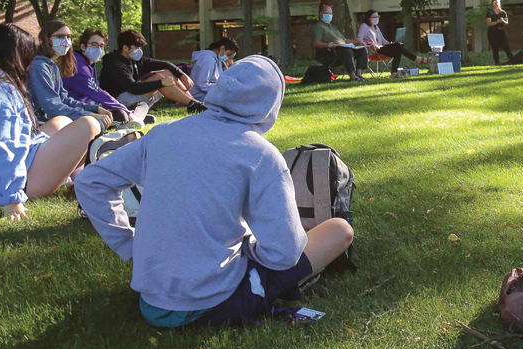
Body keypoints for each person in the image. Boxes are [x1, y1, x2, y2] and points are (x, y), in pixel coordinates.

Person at [76, 56, 354, 327]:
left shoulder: (162, 135)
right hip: (213, 303)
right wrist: (250, 249)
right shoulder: (261, 155)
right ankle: (258, 292)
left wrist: (129, 244)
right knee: (339, 230)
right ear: (271, 105)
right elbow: (285, 252)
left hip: (151, 300)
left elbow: (90, 182)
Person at [0, 25, 103, 220]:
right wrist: (11, 199)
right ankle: (81, 179)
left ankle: (75, 178)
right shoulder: (1, 92)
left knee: (61, 121)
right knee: (90, 125)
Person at [27, 20, 116, 129]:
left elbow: (64, 99)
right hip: (40, 124)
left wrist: (94, 109)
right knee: (92, 125)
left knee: (100, 122)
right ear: (47, 38)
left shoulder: (52, 65)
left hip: (55, 120)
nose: (65, 41)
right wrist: (89, 115)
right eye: (60, 36)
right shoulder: (39, 66)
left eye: (68, 37)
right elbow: (52, 107)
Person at [99, 30, 206, 114]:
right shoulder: (116, 64)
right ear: (125, 48)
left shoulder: (134, 59)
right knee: (159, 78)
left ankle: (194, 103)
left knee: (166, 73)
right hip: (118, 101)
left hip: (131, 94)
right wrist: (161, 83)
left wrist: (182, 74)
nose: (139, 50)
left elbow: (165, 64)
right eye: (136, 47)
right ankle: (193, 104)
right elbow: (133, 88)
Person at [63, 29, 135, 125]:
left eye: (101, 46)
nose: (99, 49)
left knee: (139, 105)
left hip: (92, 106)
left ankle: (133, 117)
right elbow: (96, 92)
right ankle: (130, 118)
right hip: (78, 110)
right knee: (120, 113)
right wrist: (126, 110)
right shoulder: (77, 64)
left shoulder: (89, 62)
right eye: (94, 44)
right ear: (83, 46)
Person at [311, 4, 366, 81]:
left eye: (330, 13)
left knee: (361, 50)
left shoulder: (333, 27)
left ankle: (359, 75)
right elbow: (315, 43)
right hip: (328, 53)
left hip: (342, 50)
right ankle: (352, 76)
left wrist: (356, 42)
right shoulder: (319, 27)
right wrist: (327, 44)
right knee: (347, 51)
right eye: (327, 13)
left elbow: (344, 39)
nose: (329, 15)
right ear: (321, 14)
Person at [356, 11, 421, 75]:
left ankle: (394, 73)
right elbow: (359, 40)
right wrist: (369, 44)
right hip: (373, 50)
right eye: (375, 17)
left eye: (378, 16)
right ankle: (415, 58)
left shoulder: (376, 27)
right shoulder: (364, 26)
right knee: (397, 47)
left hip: (381, 48)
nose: (377, 18)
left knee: (397, 50)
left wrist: (389, 43)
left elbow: (383, 40)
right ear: (369, 18)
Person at [485, 0, 513, 65]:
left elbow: (506, 23)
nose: (495, 4)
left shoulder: (503, 12)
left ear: (499, 3)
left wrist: (502, 21)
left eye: (496, 2)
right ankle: (497, 63)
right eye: (494, 3)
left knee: (506, 47)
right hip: (493, 32)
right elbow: (489, 23)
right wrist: (497, 22)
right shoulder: (490, 13)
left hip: (501, 32)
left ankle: (513, 60)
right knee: (495, 48)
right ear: (492, 4)